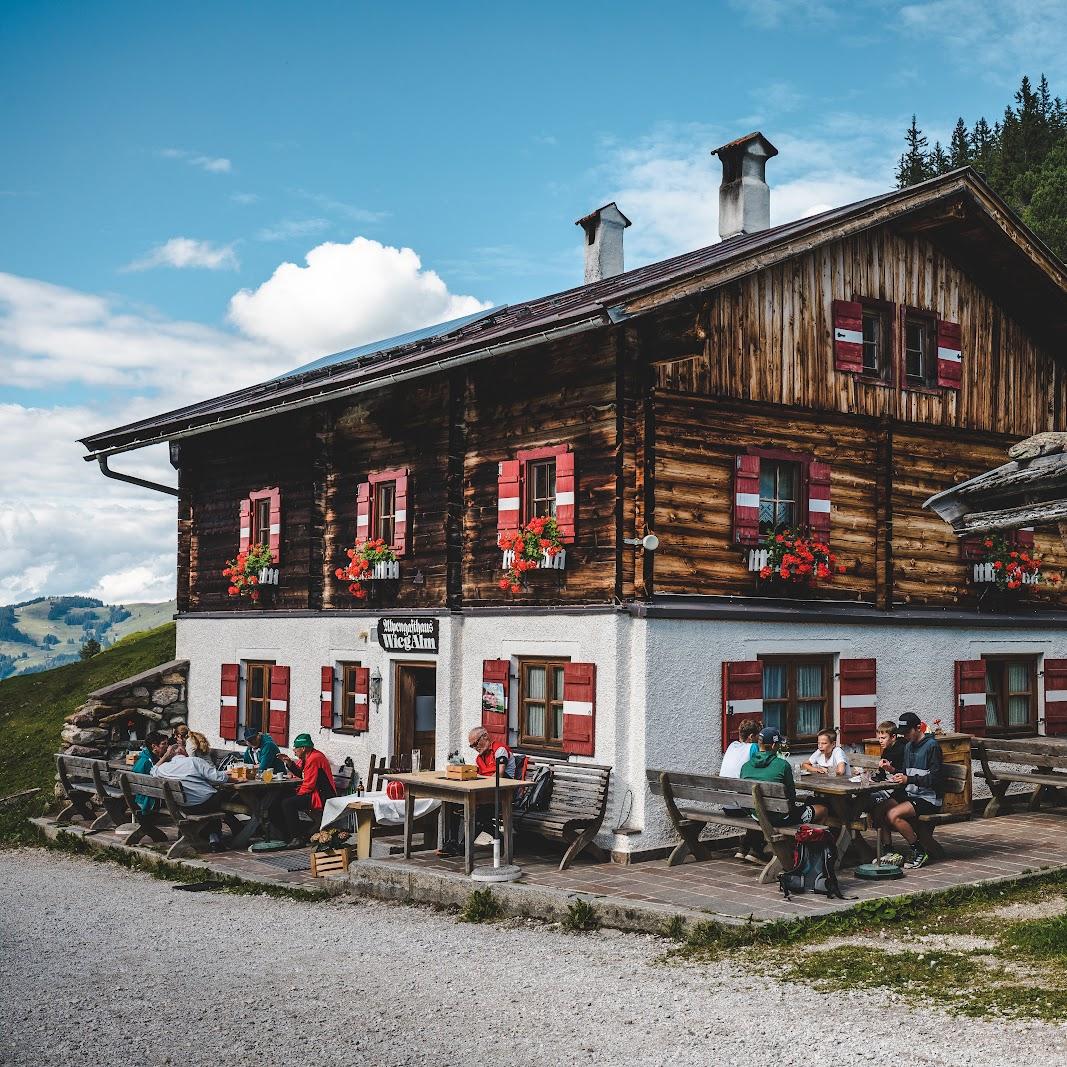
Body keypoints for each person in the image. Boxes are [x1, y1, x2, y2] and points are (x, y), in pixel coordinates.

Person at [869, 712, 944, 869]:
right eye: (902, 733)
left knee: (893, 814)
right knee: (879, 808)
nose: (905, 736)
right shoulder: (909, 746)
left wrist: (908, 779)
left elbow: (936, 779)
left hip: (929, 798)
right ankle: (889, 851)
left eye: (907, 732)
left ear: (918, 728)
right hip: (911, 794)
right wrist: (893, 770)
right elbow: (905, 771)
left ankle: (918, 851)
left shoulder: (932, 746)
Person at [150, 729, 231, 848]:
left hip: (185, 807)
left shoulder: (164, 768)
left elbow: (153, 771)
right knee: (223, 797)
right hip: (205, 803)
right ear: (183, 751)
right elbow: (216, 777)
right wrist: (231, 776)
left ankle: (206, 834)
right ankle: (215, 837)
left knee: (211, 799)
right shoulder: (194, 761)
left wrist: (166, 756)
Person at [741, 726, 829, 827]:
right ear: (774, 745)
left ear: (759, 743)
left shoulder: (745, 766)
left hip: (757, 817)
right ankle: (808, 841)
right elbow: (791, 797)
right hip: (781, 819)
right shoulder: (782, 765)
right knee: (822, 810)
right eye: (779, 744)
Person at [277, 733, 337, 847]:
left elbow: (309, 784)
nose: (294, 751)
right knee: (282, 797)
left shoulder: (314, 758)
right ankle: (288, 833)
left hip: (322, 796)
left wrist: (297, 794)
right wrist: (289, 763)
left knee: (287, 803)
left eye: (295, 748)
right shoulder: (309, 756)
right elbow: (304, 775)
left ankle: (297, 837)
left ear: (303, 748)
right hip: (315, 793)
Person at [130, 731, 172, 813]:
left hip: (140, 797)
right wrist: (165, 757)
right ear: (154, 746)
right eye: (164, 744)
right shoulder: (147, 762)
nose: (167, 746)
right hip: (149, 800)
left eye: (167, 743)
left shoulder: (144, 756)